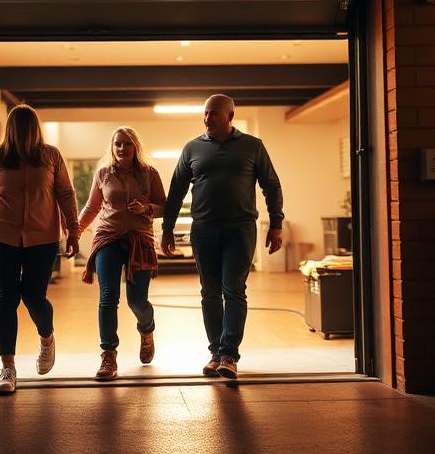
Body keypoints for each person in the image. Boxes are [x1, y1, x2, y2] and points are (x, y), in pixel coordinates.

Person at [0, 104, 79, 395]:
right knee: (7, 298)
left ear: (34, 128)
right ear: (10, 128)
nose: (22, 131)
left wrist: (73, 230)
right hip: (4, 236)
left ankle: (46, 338)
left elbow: (65, 193)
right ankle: (8, 369)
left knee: (34, 296)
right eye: (17, 126)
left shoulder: (50, 156)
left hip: (43, 238)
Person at [161, 94, 284, 380]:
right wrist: (167, 228)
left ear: (230, 115)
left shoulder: (252, 146)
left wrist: (276, 223)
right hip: (203, 229)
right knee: (209, 292)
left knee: (234, 289)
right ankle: (215, 353)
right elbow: (176, 189)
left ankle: (229, 354)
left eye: (213, 113)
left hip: (240, 229)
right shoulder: (192, 148)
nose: (207, 118)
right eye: (205, 113)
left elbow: (272, 186)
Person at [78, 127, 166, 381]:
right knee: (108, 298)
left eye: (127, 144)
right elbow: (92, 207)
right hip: (108, 238)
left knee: (136, 301)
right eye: (117, 144)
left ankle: (146, 329)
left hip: (140, 239)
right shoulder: (103, 174)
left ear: (135, 146)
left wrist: (146, 208)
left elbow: (164, 207)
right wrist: (76, 230)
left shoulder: (149, 174)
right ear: (112, 147)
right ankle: (108, 355)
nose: (121, 148)